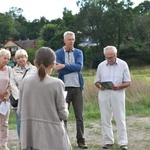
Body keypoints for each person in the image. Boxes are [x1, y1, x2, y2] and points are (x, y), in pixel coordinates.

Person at [17, 47, 72, 150]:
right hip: (52, 138)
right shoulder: (57, 84)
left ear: (35, 63)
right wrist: (65, 106)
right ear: (53, 64)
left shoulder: (24, 82)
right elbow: (63, 115)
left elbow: (20, 112)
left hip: (30, 137)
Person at [94, 46, 131, 150]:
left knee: (120, 117)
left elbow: (128, 82)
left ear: (116, 55)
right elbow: (96, 81)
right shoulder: (101, 65)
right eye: (107, 57)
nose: (109, 59)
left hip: (117, 93)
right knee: (105, 118)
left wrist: (118, 86)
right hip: (104, 93)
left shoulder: (123, 64)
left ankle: (123, 142)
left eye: (111, 57)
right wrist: (99, 86)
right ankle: (108, 141)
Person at [55, 31, 88, 149]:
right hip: (63, 88)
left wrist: (64, 65)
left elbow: (79, 67)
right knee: (63, 115)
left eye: (73, 39)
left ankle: (81, 140)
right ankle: (64, 141)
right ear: (64, 40)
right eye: (69, 39)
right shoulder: (58, 53)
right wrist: (68, 67)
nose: (71, 41)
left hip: (77, 88)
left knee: (80, 116)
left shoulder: (79, 52)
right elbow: (59, 70)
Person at [9, 49, 37, 149]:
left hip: (32, 99)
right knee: (20, 123)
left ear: (26, 57)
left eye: (23, 57)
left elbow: (37, 83)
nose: (21, 59)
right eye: (18, 58)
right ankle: (22, 143)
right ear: (16, 60)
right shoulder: (13, 71)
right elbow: (12, 84)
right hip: (19, 100)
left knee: (33, 122)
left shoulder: (34, 69)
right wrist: (20, 97)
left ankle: (33, 143)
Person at [0, 48, 12, 150]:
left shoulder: (9, 69)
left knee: (4, 123)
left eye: (8, 59)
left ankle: (4, 144)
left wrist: (6, 93)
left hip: (5, 100)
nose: (6, 60)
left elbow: (11, 83)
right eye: (5, 58)